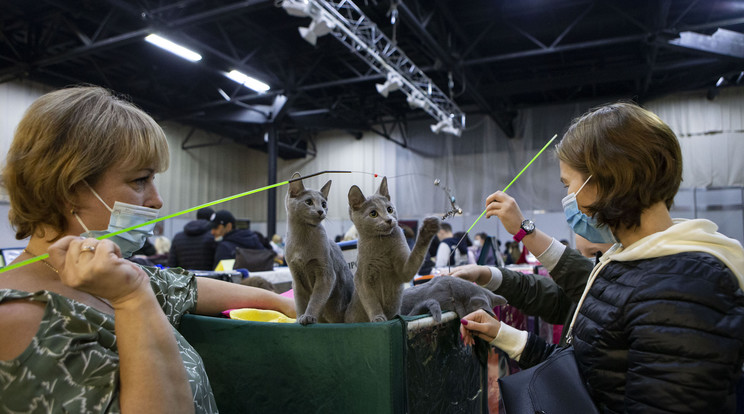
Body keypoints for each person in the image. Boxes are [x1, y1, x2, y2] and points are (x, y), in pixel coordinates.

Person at [0, 86, 296, 413]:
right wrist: (132, 299)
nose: (157, 200)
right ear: (70, 190)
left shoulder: (114, 277)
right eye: (140, 180)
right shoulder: (19, 316)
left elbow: (188, 288)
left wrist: (282, 304)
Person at [460, 102, 744, 412]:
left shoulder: (683, 289)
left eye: (570, 186)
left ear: (607, 179)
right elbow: (589, 377)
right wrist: (502, 334)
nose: (570, 200)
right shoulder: (632, 262)